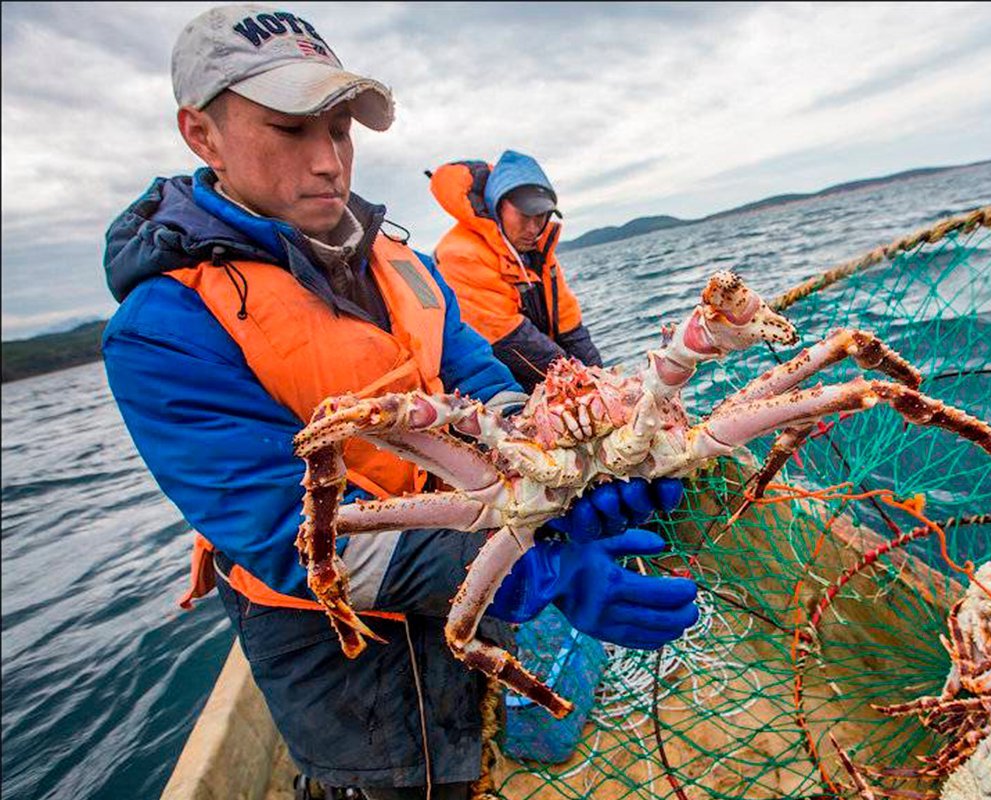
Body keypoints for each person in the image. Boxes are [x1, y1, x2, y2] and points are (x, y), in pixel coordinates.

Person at [100, 5, 697, 798]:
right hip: (348, 669)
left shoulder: (399, 259)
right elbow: (288, 534)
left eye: (340, 128)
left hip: (477, 557)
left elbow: (478, 380)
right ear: (201, 134)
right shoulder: (162, 330)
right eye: (290, 129)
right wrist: (530, 566)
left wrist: (560, 473)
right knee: (415, 783)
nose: (329, 162)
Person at [429, 151, 603, 392]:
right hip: (490, 390)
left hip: (544, 379)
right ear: (498, 206)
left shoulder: (539, 252)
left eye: (541, 216)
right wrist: (583, 384)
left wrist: (602, 380)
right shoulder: (460, 254)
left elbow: (570, 326)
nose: (533, 228)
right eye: (524, 216)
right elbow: (511, 341)